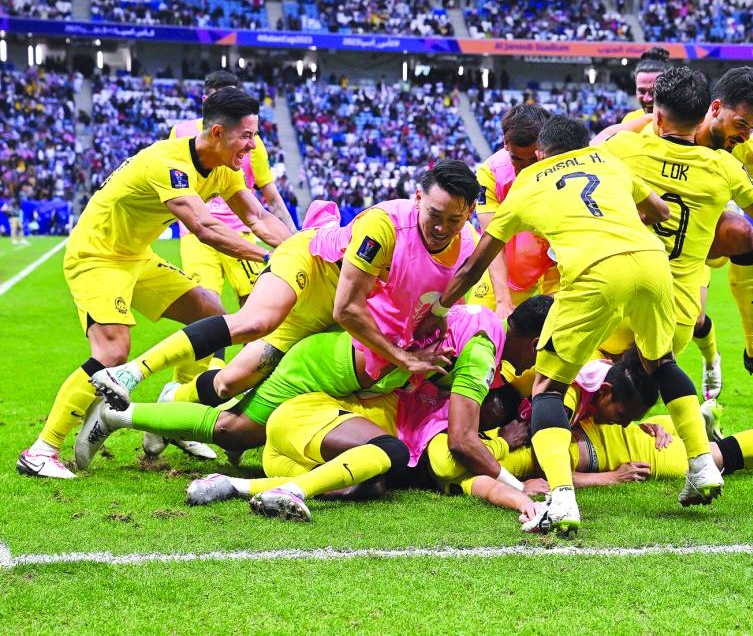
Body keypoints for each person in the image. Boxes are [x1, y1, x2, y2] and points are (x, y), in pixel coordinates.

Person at [417, 114, 723, 537]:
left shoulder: (529, 182)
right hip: (651, 263)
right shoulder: (610, 161)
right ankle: (702, 464)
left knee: (548, 387)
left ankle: (561, 498)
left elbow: (475, 265)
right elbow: (661, 210)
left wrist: (438, 309)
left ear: (541, 152)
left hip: (595, 271)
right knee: (662, 361)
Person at [16, 87, 293, 479]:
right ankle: (41, 449)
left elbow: (259, 218)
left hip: (138, 256)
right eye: (246, 136)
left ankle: (177, 406)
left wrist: (301, 248)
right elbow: (204, 226)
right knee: (114, 350)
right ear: (217, 132)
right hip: (97, 254)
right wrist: (267, 258)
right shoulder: (169, 161)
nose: (252, 145)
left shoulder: (224, 170)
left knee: (212, 315)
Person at [88, 160, 479, 413]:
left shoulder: (467, 246)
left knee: (232, 382)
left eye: (454, 220)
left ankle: (172, 402)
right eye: (434, 214)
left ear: (469, 215)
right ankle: (131, 372)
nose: (442, 227)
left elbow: (440, 300)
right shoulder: (383, 225)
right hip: (311, 264)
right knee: (256, 321)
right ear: (417, 199)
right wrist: (403, 358)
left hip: (341, 301)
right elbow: (348, 309)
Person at [174, 298, 551, 521]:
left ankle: (234, 485)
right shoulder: (459, 396)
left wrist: (520, 497)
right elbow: (454, 454)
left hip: (300, 452)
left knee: (369, 486)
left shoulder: (442, 397)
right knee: (392, 452)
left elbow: (473, 477)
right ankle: (292, 491)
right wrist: (503, 448)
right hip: (306, 415)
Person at [76, 297, 550, 474]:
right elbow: (464, 440)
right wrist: (513, 480)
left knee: (240, 418)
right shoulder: (485, 349)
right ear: (529, 337)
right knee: (235, 429)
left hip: (355, 381)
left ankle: (158, 409)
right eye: (543, 352)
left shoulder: (482, 319)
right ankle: (121, 414)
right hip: (323, 367)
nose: (539, 364)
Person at [598, 66, 753, 397]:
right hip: (646, 253)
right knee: (676, 331)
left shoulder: (742, 149)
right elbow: (607, 139)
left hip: (694, 245)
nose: (746, 134)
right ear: (714, 108)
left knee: (740, 232)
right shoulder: (657, 126)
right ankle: (705, 367)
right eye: (741, 124)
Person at [430, 357, 753, 519]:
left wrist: (614, 456)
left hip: (613, 448)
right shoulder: (547, 409)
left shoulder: (556, 401)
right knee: (716, 455)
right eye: (624, 412)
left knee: (716, 455)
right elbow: (537, 477)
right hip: (607, 451)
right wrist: (609, 478)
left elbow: (543, 476)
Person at [145, 70, 296, 461]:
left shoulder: (250, 142)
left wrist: (298, 244)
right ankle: (184, 403)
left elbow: (266, 200)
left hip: (242, 239)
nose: (247, 142)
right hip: (200, 237)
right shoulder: (180, 136)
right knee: (207, 310)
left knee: (262, 321)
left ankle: (220, 401)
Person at [470, 104, 557, 318]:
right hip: (505, 274)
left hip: (553, 269)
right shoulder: (489, 174)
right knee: (479, 328)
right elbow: (492, 242)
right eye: (517, 159)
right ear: (505, 144)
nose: (525, 168)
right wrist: (502, 301)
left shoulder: (562, 167)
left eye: (534, 159)